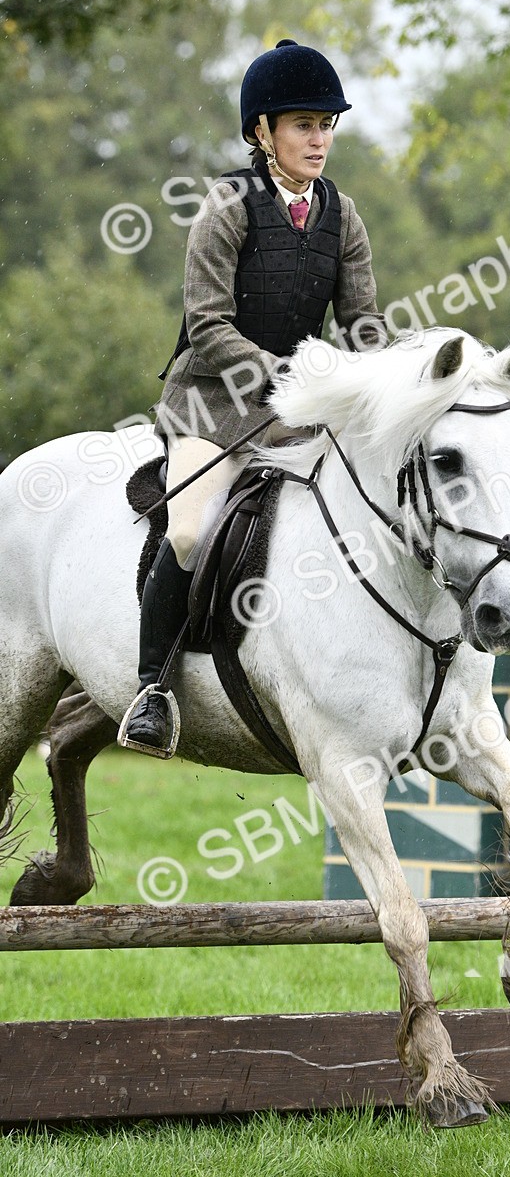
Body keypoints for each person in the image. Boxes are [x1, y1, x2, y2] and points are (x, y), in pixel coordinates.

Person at [118, 38, 386, 758]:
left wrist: (382, 371)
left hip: (294, 415)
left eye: (328, 125)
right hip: (211, 403)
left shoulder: (343, 215)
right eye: (304, 124)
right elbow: (207, 328)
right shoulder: (226, 206)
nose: (319, 139)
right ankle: (153, 690)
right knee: (188, 530)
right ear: (262, 132)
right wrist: (291, 376)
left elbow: (360, 321)